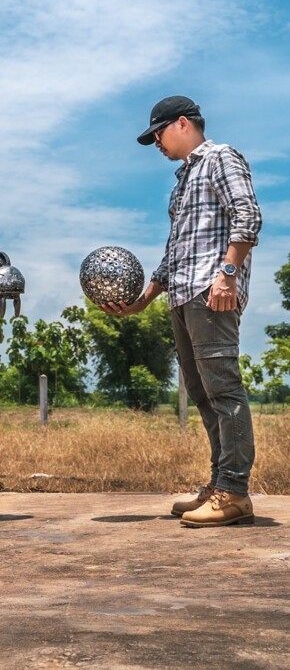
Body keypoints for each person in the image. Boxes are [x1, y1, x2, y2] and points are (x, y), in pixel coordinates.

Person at [102, 95, 262, 527]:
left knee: (223, 388)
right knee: (200, 391)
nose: (155, 142)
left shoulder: (220, 157)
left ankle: (235, 492)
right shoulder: (182, 180)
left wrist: (227, 274)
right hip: (182, 295)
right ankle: (218, 484)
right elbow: (174, 256)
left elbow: (247, 215)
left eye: (157, 133)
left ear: (182, 123)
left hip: (212, 293)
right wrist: (142, 301)